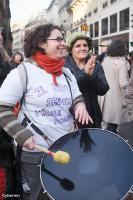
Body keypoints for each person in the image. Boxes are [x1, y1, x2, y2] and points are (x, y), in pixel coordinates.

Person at [0, 24, 92, 200]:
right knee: (41, 196)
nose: (63, 43)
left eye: (63, 39)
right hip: (36, 152)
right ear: (42, 43)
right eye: (58, 39)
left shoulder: (66, 73)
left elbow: (76, 97)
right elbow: (2, 107)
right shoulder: (23, 72)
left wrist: (79, 105)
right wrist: (21, 134)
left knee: (67, 192)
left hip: (66, 147)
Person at [65, 32, 109, 128]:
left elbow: (103, 90)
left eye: (85, 45)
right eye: (78, 46)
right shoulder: (64, 66)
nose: (82, 48)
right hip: (70, 117)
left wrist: (92, 77)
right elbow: (65, 90)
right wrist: (85, 74)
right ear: (71, 50)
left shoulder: (95, 64)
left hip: (93, 116)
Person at [99, 40, 130, 133]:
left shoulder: (106, 60)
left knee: (107, 122)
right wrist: (127, 98)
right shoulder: (121, 62)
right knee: (113, 124)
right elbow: (123, 83)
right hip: (117, 97)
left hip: (104, 95)